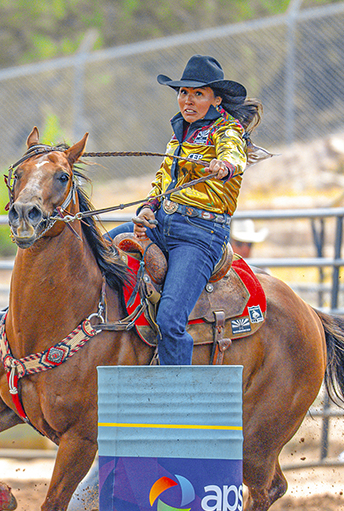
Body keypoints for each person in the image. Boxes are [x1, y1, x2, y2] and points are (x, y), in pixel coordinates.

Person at [107, 54, 262, 364]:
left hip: (199, 235)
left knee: (170, 320)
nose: (188, 100)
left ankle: (178, 390)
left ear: (216, 99)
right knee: (97, 249)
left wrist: (225, 166)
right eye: (183, 92)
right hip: (160, 224)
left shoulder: (227, 130)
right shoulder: (179, 132)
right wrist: (148, 207)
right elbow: (162, 179)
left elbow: (234, 156)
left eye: (198, 93)